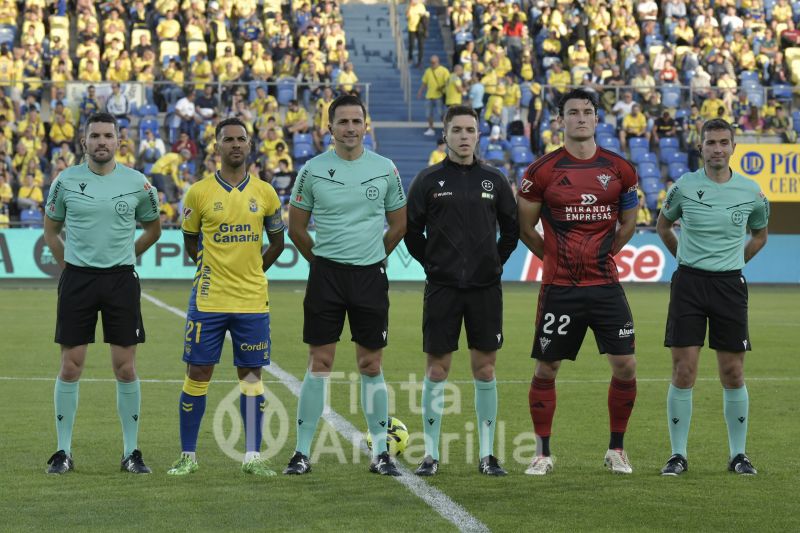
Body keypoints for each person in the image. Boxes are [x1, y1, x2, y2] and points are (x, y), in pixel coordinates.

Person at [517, 89, 640, 476]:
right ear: (560, 120)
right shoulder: (541, 171)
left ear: (597, 119)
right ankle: (542, 453)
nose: (581, 118)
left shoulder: (620, 169)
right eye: (573, 112)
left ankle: (616, 449)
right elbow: (525, 228)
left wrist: (606, 254)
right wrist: (555, 259)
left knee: (626, 366)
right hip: (560, 288)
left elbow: (629, 223)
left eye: (588, 111)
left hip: (605, 285)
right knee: (547, 368)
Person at [283, 95, 407, 476]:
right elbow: (296, 227)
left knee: (371, 364)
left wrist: (376, 255)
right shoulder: (312, 170)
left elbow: (399, 223)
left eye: (356, 121)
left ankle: (381, 452)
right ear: (330, 127)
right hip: (327, 277)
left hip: (369, 277)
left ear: (365, 126)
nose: (350, 128)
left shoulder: (385, 168)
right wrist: (320, 263)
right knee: (319, 362)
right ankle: (301, 453)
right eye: (343, 122)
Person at [42, 112, 162, 474]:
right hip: (78, 280)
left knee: (125, 368)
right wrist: (69, 268)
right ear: (84, 142)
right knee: (70, 365)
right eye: (95, 136)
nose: (101, 142)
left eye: (108, 135)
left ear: (119, 141)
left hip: (121, 281)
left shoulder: (138, 183)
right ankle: (63, 452)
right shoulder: (65, 181)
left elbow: (153, 229)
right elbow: (51, 230)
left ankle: (131, 452)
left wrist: (126, 256)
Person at [166, 117, 285, 477]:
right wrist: (209, 268)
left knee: (251, 377)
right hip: (209, 300)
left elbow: (277, 242)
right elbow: (190, 240)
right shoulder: (198, 192)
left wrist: (254, 270)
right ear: (216, 146)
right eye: (228, 139)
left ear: (250, 146)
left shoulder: (266, 193)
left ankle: (253, 456)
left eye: (241, 139)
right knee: (198, 372)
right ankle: (188, 455)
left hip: (251, 300)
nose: (235, 144)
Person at [405, 105, 518, 476]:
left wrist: (494, 262)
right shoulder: (427, 180)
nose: (464, 136)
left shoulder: (494, 179)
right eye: (457, 130)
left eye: (470, 130)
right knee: (437, 369)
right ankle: (430, 455)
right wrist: (434, 264)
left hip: (485, 288)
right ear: (445, 135)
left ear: (479, 135)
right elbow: (411, 232)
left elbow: (512, 230)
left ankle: (487, 455)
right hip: (443, 289)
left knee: (485, 370)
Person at [656, 118, 769, 476]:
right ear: (700, 147)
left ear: (733, 147)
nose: (717, 148)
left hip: (729, 286)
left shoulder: (751, 192)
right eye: (711, 142)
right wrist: (683, 259)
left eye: (723, 142)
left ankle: (738, 455)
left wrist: (737, 262)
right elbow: (663, 226)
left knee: (733, 372)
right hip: (689, 284)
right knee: (683, 369)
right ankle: (678, 455)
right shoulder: (683, 187)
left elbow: (760, 234)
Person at [418, 55, 450, 136]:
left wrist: (441, 87)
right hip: (429, 96)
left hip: (439, 96)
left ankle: (446, 129)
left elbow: (448, 82)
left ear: (438, 62)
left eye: (434, 62)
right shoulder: (428, 71)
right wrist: (420, 92)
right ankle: (431, 128)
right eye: (431, 62)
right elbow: (424, 83)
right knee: (429, 114)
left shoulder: (444, 70)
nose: (432, 64)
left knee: (441, 114)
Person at [406, 0, 429, 66]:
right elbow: (407, 16)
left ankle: (420, 61)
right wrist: (410, 7)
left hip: (419, 29)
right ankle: (410, 57)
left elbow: (424, 17)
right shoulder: (410, 7)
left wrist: (425, 29)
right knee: (411, 44)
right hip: (411, 28)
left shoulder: (421, 6)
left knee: (420, 45)